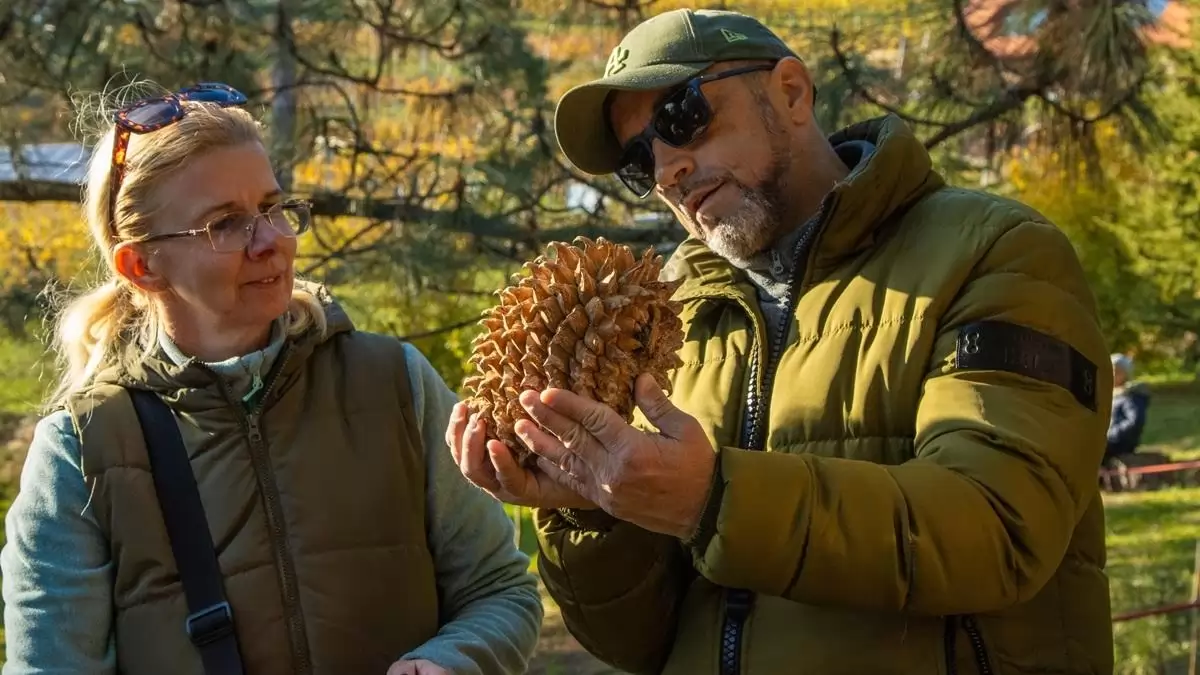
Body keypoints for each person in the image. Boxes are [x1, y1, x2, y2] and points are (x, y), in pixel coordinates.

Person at [449, 8, 1114, 675]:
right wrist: (596, 508)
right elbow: (643, 642)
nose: (668, 168)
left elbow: (996, 528)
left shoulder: (994, 252)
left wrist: (712, 499)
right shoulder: (668, 313)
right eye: (637, 159)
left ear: (791, 93)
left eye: (683, 116)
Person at [1, 82, 542, 675]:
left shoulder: (395, 384)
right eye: (225, 224)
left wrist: (452, 662)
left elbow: (500, 590)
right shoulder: (81, 449)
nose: (272, 241)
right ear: (142, 264)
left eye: (272, 207)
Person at [1105, 353, 1151, 463]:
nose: (1114, 375)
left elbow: (1134, 421)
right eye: (1111, 371)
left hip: (1120, 442)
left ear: (1126, 374)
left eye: (1118, 371)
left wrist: (1112, 434)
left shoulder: (1131, 395)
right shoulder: (1111, 395)